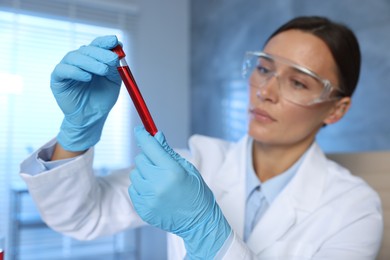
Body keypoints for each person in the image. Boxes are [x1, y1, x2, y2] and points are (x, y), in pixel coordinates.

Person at [20, 16, 383, 259]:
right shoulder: (196, 162)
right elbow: (82, 217)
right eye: (263, 69)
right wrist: (78, 131)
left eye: (298, 82)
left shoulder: (354, 209)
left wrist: (203, 230)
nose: (265, 91)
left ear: (336, 109)